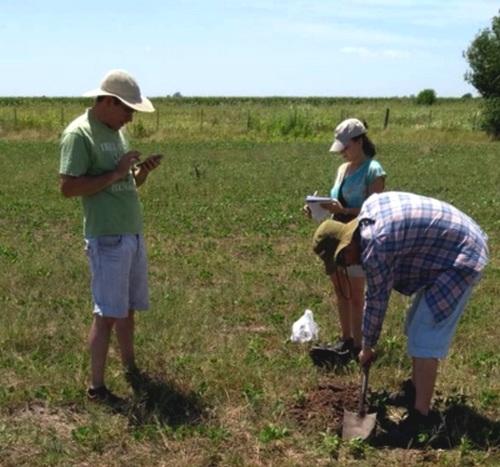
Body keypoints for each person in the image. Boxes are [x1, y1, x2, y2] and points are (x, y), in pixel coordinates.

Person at [312, 191, 489, 443]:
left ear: (347, 242)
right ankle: (414, 392)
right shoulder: (367, 216)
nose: (346, 265)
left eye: (342, 259)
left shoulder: (376, 246)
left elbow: (376, 301)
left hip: (462, 256)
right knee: (414, 323)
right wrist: (368, 344)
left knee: (426, 334)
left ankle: (421, 417)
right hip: (449, 247)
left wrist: (367, 346)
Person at [59, 69, 163, 404]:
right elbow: (68, 187)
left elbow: (124, 182)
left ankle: (130, 367)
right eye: (127, 109)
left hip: (130, 232)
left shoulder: (115, 132)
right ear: (107, 101)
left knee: (127, 308)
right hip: (106, 238)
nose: (131, 117)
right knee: (106, 314)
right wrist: (118, 171)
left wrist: (138, 174)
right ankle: (97, 387)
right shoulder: (79, 134)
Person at [308, 118, 385, 363]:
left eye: (346, 147)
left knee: (356, 292)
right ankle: (346, 339)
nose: (342, 153)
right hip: (336, 232)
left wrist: (345, 209)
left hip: (358, 236)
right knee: (341, 290)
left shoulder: (374, 170)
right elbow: (335, 202)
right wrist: (318, 209)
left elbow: (374, 209)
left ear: (359, 140)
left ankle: (360, 346)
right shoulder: (342, 170)